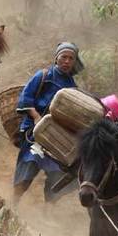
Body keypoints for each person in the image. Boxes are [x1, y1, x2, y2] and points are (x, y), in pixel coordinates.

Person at [13, 42, 84, 203]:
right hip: (35, 133)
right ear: (56, 58)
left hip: (56, 138)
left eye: (71, 58)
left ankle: (48, 209)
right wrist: (36, 117)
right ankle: (13, 203)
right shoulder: (44, 76)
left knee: (58, 174)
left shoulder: (73, 87)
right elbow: (26, 98)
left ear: (74, 62)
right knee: (29, 164)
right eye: (63, 57)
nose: (66, 61)